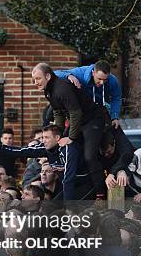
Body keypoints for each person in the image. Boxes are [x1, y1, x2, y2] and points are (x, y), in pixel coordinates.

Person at [32, 62, 107, 199]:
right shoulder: (49, 90)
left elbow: (76, 113)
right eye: (34, 79)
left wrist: (70, 137)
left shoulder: (62, 88)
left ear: (48, 76)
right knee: (59, 146)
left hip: (92, 119)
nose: (35, 82)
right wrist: (59, 134)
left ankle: (100, 193)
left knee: (89, 156)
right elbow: (58, 113)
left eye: (38, 78)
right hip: (77, 120)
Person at [55, 60, 122, 128]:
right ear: (93, 73)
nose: (102, 82)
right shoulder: (80, 73)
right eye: (99, 79)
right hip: (81, 108)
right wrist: (68, 76)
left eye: (105, 80)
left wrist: (115, 117)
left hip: (101, 107)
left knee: (114, 130)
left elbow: (116, 98)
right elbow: (55, 73)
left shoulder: (112, 80)